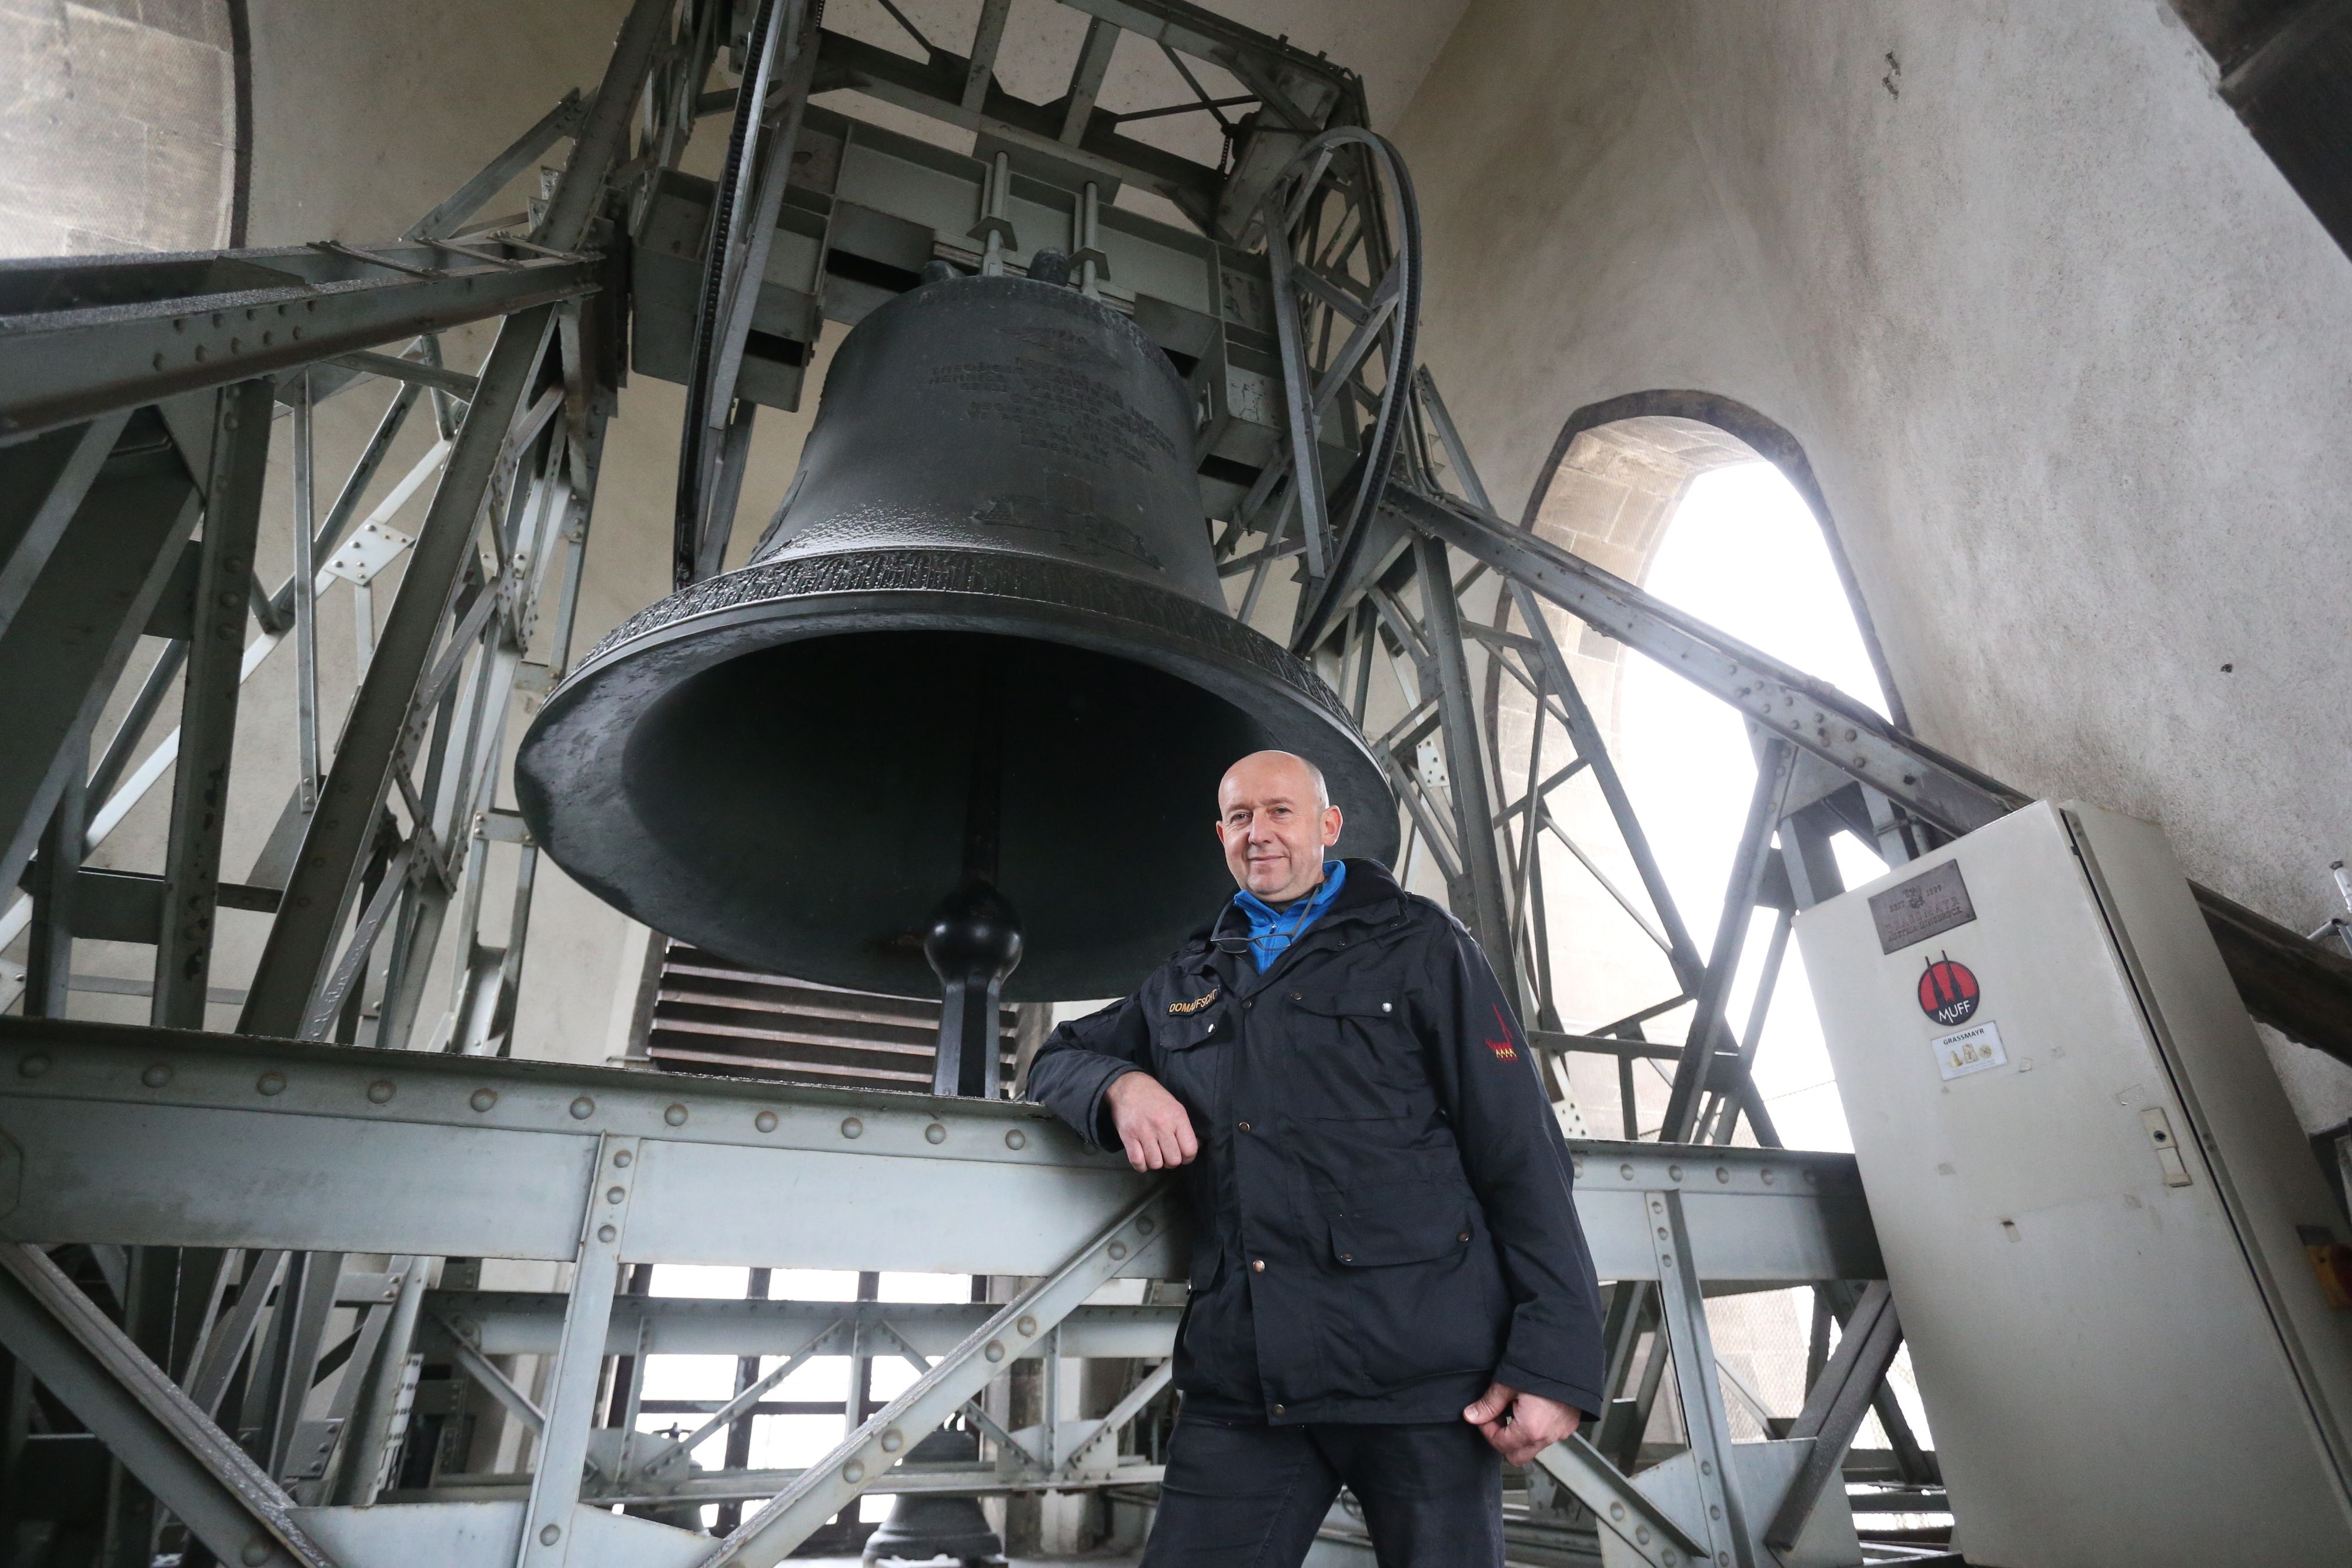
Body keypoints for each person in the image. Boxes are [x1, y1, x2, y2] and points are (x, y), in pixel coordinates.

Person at [1025, 750, 1606, 1567]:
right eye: (1239, 818)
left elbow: (1520, 1153)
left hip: (1422, 1376)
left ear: (1328, 826)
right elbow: (1056, 1057)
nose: (1258, 833)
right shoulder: (1190, 975)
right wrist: (1121, 1084)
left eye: (1280, 812)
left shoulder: (1421, 944)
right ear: (1220, 836)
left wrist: (1556, 1362)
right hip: (1246, 1377)